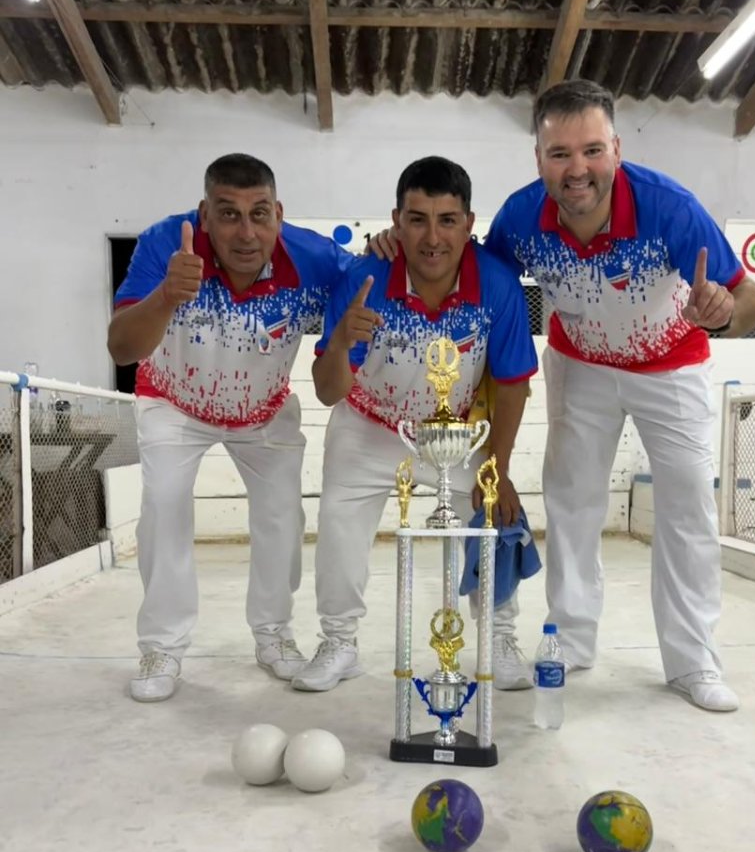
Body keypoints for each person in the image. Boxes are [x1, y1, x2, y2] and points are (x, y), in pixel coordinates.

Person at [483, 79, 755, 711]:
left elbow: (753, 302)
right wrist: (391, 252)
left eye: (591, 150)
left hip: (672, 368)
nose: (576, 169)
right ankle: (573, 639)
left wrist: (720, 313)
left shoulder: (671, 207)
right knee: (572, 500)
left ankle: (693, 662)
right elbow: (479, 281)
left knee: (688, 508)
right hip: (580, 367)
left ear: (615, 147)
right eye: (559, 154)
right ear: (538, 160)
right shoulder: (520, 216)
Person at [108, 153, 353, 703]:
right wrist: (167, 294)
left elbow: (368, 279)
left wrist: (385, 247)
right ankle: (163, 646)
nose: (246, 232)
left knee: (283, 516)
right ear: (204, 215)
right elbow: (121, 346)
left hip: (264, 409)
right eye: (228, 214)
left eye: (259, 214)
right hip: (173, 402)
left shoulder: (316, 259)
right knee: (164, 507)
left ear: (279, 213)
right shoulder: (164, 243)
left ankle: (273, 636)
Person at [291, 156, 539, 694]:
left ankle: (497, 636)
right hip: (369, 425)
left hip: (453, 433)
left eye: (447, 220)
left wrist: (496, 467)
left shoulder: (496, 285)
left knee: (495, 515)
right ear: (396, 221)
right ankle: (339, 641)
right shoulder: (364, 278)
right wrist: (337, 342)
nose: (432, 237)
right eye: (418, 218)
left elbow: (515, 382)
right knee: (338, 525)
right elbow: (328, 391)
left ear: (469, 224)